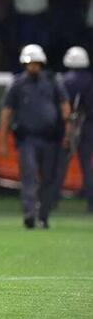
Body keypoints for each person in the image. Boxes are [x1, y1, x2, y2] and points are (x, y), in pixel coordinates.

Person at [0, 44, 71, 229]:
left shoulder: (53, 82)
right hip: (27, 139)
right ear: (24, 64)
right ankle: (29, 213)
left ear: (42, 63)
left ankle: (44, 215)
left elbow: (64, 106)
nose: (33, 67)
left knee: (48, 179)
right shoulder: (17, 84)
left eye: (36, 64)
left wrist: (68, 130)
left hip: (50, 138)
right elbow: (6, 112)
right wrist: (2, 140)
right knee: (29, 176)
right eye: (30, 64)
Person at [59, 47, 93, 213]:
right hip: (89, 126)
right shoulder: (91, 80)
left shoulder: (64, 80)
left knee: (61, 165)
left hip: (71, 125)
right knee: (86, 166)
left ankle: (51, 200)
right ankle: (91, 202)